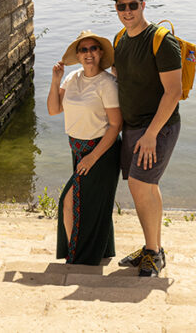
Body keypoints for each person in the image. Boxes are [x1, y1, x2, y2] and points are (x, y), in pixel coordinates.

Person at [111, 0, 182, 277]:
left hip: (158, 126)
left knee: (141, 184)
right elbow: (118, 78)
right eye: (121, 6)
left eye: (132, 5)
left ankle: (154, 252)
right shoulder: (119, 39)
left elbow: (173, 92)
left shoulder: (161, 40)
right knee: (144, 186)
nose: (127, 11)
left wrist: (151, 134)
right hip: (131, 127)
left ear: (143, 5)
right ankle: (152, 247)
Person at [48, 30, 123, 265]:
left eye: (93, 48)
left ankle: (77, 257)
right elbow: (53, 110)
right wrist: (55, 81)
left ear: (100, 53)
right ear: (78, 55)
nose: (88, 53)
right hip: (77, 149)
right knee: (91, 202)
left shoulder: (107, 84)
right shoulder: (72, 78)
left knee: (69, 201)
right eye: (83, 50)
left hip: (102, 151)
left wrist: (92, 158)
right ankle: (101, 250)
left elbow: (115, 125)